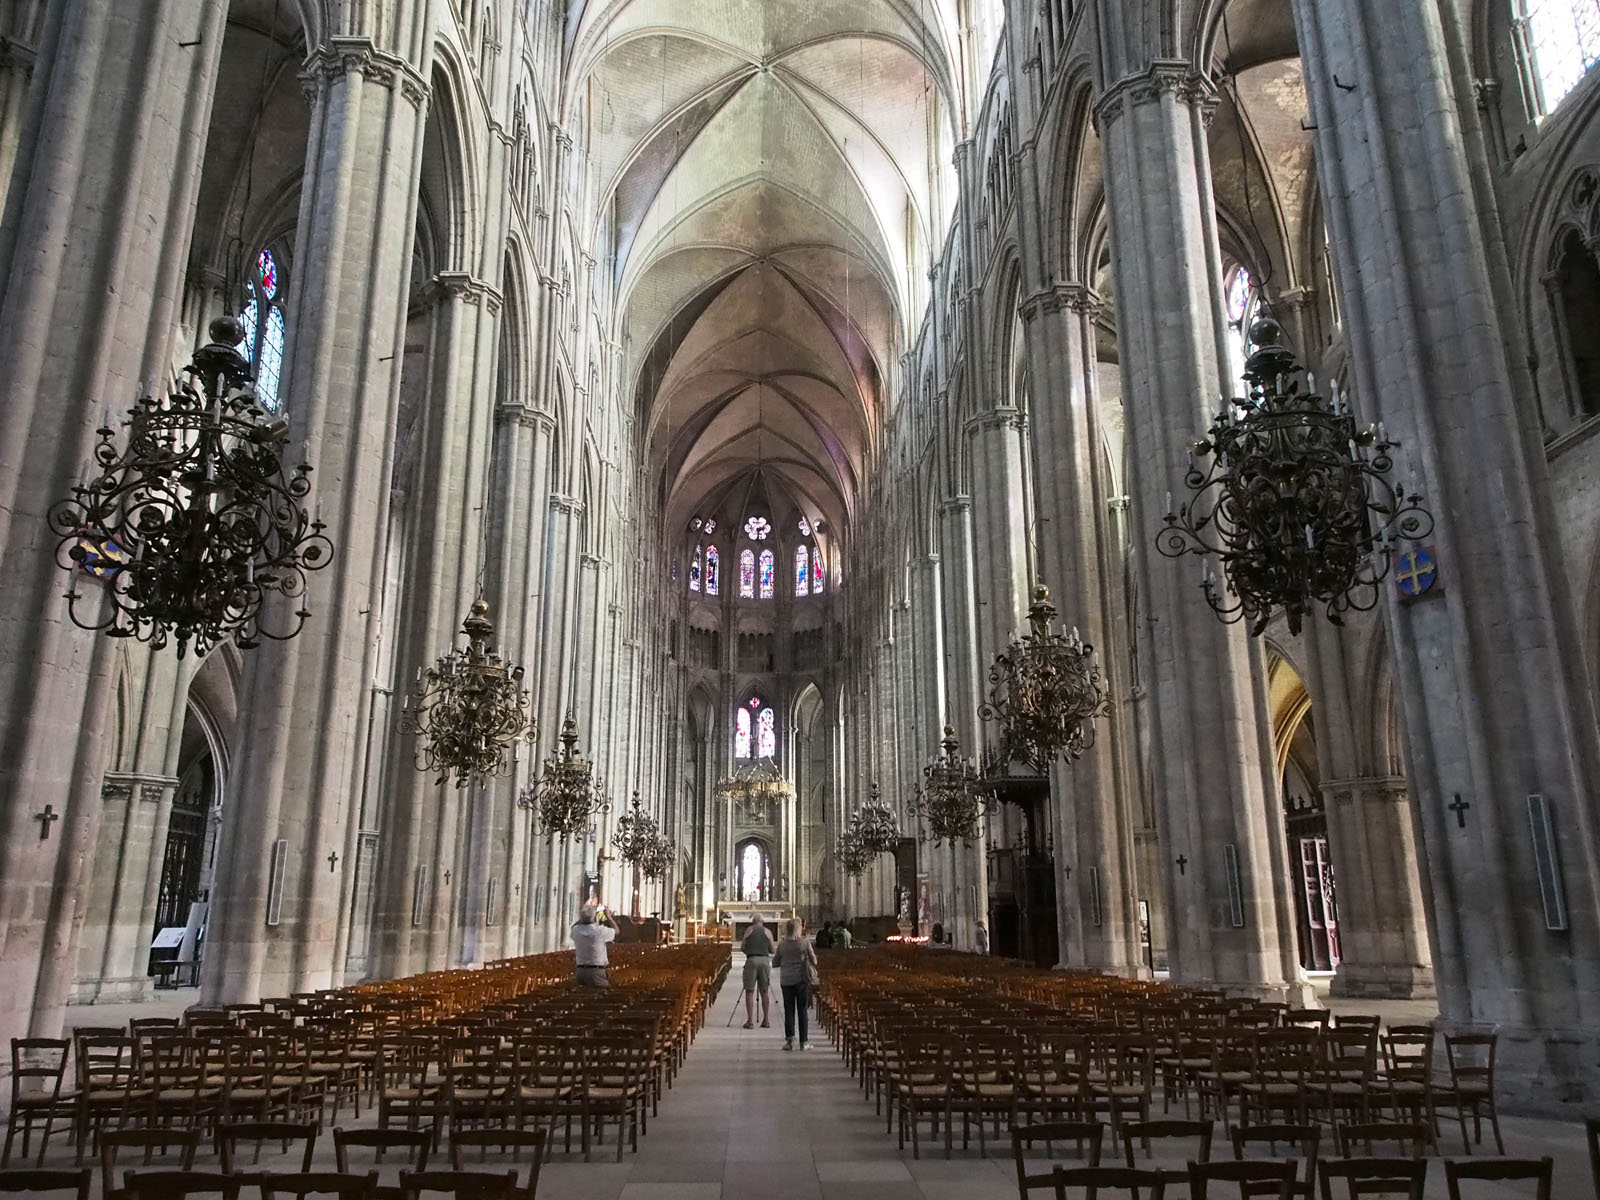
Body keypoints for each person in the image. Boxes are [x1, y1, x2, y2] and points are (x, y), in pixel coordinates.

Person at [772, 918, 818, 1051]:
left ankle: (790, 1041)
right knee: (802, 1010)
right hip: (801, 980)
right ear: (799, 928)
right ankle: (804, 1042)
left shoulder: (782, 944)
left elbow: (775, 962)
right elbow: (814, 960)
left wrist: (786, 962)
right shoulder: (804, 943)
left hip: (786, 980)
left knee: (789, 1010)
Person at [740, 914, 775, 1029]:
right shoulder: (768, 932)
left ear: (753, 922)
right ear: (762, 922)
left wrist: (750, 952)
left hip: (752, 960)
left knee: (749, 991)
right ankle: (766, 1020)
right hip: (764, 962)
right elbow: (773, 950)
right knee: (764, 991)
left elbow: (742, 947)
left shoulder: (749, 930)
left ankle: (750, 1021)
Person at [571, 903, 616, 987]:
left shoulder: (576, 930)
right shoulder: (600, 931)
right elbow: (616, 931)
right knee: (601, 995)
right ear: (594, 917)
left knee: (581, 996)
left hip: (580, 971)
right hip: (595, 970)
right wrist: (609, 917)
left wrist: (583, 917)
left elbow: (573, 927)